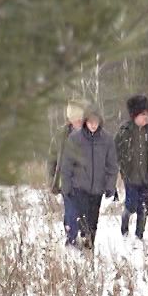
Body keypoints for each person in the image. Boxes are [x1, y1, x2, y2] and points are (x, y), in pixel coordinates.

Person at [61, 105, 118, 248]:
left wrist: (110, 186)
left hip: (97, 189)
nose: (93, 125)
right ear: (85, 121)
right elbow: (67, 164)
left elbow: (112, 166)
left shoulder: (107, 140)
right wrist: (66, 186)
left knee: (93, 222)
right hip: (79, 187)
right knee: (82, 220)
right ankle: (78, 243)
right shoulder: (75, 139)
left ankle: (89, 247)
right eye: (90, 121)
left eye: (96, 121)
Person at [114, 95, 148, 241]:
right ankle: (124, 226)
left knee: (144, 207)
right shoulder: (124, 131)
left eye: (147, 114)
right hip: (131, 177)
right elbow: (116, 151)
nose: (146, 117)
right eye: (142, 114)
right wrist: (122, 167)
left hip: (146, 177)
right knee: (131, 205)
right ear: (135, 115)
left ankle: (139, 235)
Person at [47, 99, 85, 243]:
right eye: (76, 119)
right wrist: (52, 179)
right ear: (70, 119)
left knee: (83, 212)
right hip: (67, 182)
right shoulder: (61, 135)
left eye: (81, 118)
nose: (79, 122)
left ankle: (84, 235)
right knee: (71, 212)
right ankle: (71, 239)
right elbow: (52, 159)